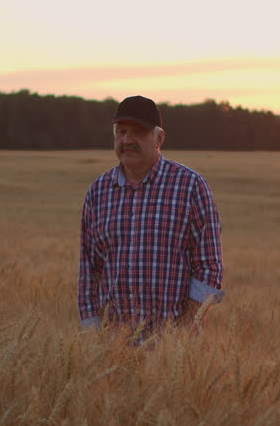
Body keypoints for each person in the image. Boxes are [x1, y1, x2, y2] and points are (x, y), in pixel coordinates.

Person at [78, 96, 225, 338]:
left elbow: (209, 266)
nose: (127, 140)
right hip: (112, 349)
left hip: (174, 351)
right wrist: (94, 338)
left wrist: (185, 331)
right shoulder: (98, 191)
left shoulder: (190, 186)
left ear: (159, 138)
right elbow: (89, 270)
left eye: (138, 132)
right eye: (121, 131)